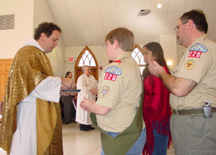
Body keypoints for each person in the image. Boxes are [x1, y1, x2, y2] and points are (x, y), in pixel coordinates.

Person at [148, 9, 216, 155]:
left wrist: (161, 73)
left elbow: (180, 88)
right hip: (194, 120)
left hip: (195, 123)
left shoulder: (199, 48)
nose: (177, 33)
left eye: (178, 28)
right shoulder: (204, 47)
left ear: (189, 24)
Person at [0, 22, 74, 155]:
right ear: (43, 36)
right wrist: (62, 80)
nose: (56, 44)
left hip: (36, 110)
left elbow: (38, 84)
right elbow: (34, 81)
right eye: (54, 39)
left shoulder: (37, 53)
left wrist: (60, 89)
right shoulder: (27, 52)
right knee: (28, 148)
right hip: (30, 113)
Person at [80, 27, 146, 155]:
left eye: (107, 44)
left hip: (119, 134)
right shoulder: (131, 64)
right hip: (132, 129)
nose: (106, 48)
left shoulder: (115, 68)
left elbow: (103, 108)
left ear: (115, 43)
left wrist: (90, 105)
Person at [142, 42, 172, 155]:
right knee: (154, 148)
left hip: (158, 117)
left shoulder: (161, 70)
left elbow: (161, 96)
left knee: (157, 150)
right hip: (151, 116)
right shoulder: (149, 70)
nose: (144, 56)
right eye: (143, 53)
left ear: (155, 55)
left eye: (146, 53)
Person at [76, 66, 98, 131]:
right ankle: (83, 126)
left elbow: (96, 84)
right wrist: (90, 89)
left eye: (90, 69)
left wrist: (95, 89)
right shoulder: (81, 78)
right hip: (84, 97)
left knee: (90, 111)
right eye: (88, 69)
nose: (89, 70)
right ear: (84, 70)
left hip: (91, 97)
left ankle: (89, 124)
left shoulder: (92, 77)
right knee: (84, 111)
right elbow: (81, 87)